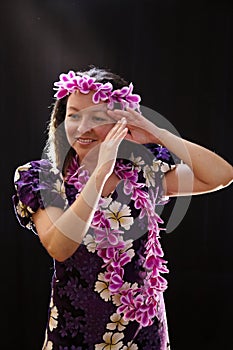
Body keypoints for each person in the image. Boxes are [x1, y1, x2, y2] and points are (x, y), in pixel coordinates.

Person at [12, 65, 233, 350]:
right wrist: (101, 172)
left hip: (145, 335)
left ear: (121, 123)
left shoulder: (142, 172)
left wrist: (157, 133)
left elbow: (221, 175)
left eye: (98, 116)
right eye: (74, 115)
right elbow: (60, 245)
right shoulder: (42, 178)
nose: (82, 127)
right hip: (76, 336)